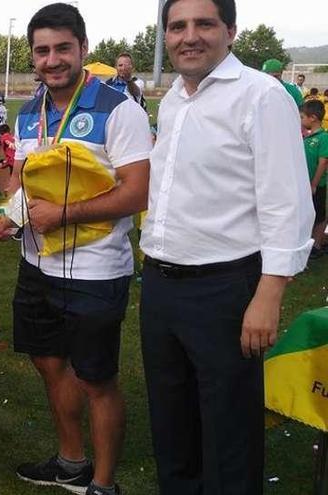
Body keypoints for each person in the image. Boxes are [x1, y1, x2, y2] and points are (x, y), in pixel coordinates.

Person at [139, 1, 315, 493]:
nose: (188, 36)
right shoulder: (173, 98)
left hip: (225, 289)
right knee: (172, 425)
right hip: (160, 284)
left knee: (229, 434)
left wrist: (269, 293)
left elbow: (288, 203)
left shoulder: (261, 95)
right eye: (177, 26)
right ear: (166, 35)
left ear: (230, 31)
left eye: (203, 24)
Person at [0, 4, 152, 494]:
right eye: (42, 50)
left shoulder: (119, 109)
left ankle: (102, 483)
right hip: (36, 263)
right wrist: (9, 220)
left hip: (96, 270)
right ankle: (72, 461)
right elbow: (21, 184)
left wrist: (62, 214)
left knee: (97, 379)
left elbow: (136, 193)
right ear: (32, 56)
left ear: (83, 49)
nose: (52, 59)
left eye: (62, 48)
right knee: (49, 363)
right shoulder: (28, 110)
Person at [302, 100, 328, 257]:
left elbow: (323, 161)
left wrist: (314, 183)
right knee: (310, 214)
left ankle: (317, 245)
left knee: (318, 215)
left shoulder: (323, 137)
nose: (301, 120)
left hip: (317, 185)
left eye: (302, 117)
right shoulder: (308, 137)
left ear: (312, 118)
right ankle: (310, 242)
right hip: (306, 184)